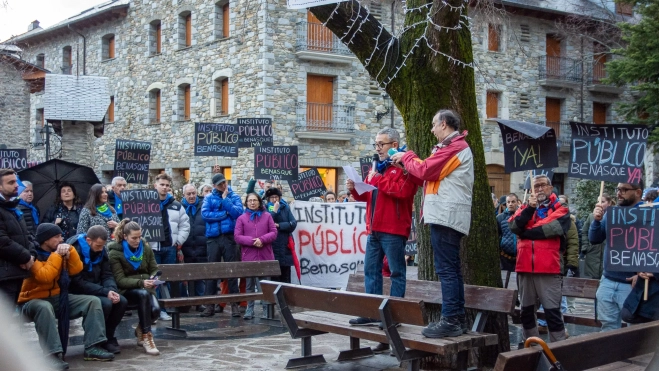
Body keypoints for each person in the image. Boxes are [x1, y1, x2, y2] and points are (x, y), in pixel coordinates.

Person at [391, 109, 474, 338]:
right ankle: (456, 318)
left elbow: (426, 169)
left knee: (447, 270)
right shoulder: (452, 147)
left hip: (447, 215)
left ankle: (451, 320)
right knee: (451, 270)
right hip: (446, 214)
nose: (431, 129)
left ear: (445, 124)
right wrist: (406, 166)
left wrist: (407, 156)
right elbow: (427, 177)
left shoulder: (455, 147)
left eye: (434, 124)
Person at [347, 127, 421, 352]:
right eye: (376, 144)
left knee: (397, 272)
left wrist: (378, 180)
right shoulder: (376, 167)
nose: (377, 148)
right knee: (371, 272)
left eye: (382, 144)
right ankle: (372, 312)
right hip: (374, 229)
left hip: (393, 229)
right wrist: (355, 189)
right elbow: (369, 194)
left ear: (394, 144)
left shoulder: (408, 165)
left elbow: (402, 192)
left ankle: (393, 315)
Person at [19, 223, 114, 369]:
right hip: (32, 300)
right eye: (57, 237)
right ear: (46, 240)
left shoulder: (60, 251)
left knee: (92, 302)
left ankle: (93, 347)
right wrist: (57, 255)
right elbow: (45, 276)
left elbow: (77, 269)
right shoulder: (32, 254)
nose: (61, 239)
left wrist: (70, 251)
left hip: (58, 298)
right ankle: (51, 354)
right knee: (44, 307)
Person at [508, 174, 571, 343]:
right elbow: (514, 226)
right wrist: (529, 209)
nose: (539, 189)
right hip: (525, 267)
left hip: (549, 269)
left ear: (550, 188)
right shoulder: (526, 206)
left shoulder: (561, 207)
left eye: (543, 185)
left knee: (552, 313)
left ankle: (558, 351)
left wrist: (526, 232)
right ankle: (531, 348)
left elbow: (553, 228)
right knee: (526, 313)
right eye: (536, 186)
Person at [589, 181, 644, 331]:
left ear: (638, 192)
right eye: (618, 189)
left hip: (633, 285)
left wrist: (642, 273)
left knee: (635, 330)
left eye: (624, 189)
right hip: (608, 280)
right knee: (608, 328)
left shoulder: (649, 213)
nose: (619, 193)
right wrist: (596, 221)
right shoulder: (612, 213)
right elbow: (595, 238)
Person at [69, 225, 127, 354]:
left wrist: (112, 290)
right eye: (98, 246)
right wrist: (105, 292)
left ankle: (109, 336)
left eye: (103, 246)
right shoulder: (75, 251)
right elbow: (77, 282)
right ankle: (97, 340)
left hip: (98, 287)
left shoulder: (101, 251)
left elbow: (107, 274)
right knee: (105, 303)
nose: (101, 249)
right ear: (89, 240)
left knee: (121, 301)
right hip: (79, 290)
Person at [108, 219, 161, 355]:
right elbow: (120, 280)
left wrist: (154, 277)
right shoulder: (115, 252)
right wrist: (142, 282)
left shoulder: (145, 247)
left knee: (155, 311)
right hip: (127, 291)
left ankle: (140, 329)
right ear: (125, 236)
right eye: (134, 238)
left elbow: (153, 268)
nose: (138, 240)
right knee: (143, 295)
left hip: (146, 287)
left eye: (139, 237)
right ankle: (146, 336)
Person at [200, 173, 243, 317]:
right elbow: (205, 215)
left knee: (231, 271)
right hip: (213, 238)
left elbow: (238, 213)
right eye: (220, 184)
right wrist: (224, 214)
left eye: (224, 183)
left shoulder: (233, 196)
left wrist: (225, 201)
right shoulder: (208, 197)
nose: (223, 186)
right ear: (214, 185)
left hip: (229, 237)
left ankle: (235, 305)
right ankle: (209, 306)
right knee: (212, 272)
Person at [151, 173, 190, 320]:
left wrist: (178, 241)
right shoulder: (147, 204)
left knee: (169, 278)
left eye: (167, 185)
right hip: (153, 248)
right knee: (155, 279)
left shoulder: (176, 205)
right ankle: (157, 308)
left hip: (170, 247)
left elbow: (185, 225)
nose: (165, 187)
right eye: (162, 184)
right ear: (156, 185)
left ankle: (168, 308)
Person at [234, 193, 277, 320]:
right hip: (249, 256)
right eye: (250, 201)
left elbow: (274, 232)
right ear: (246, 203)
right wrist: (253, 241)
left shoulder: (267, 216)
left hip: (265, 255)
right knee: (249, 285)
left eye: (255, 200)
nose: (252, 203)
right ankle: (249, 309)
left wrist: (262, 240)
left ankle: (266, 309)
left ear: (259, 202)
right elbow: (237, 236)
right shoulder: (241, 218)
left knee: (265, 285)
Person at [0, 169, 37, 304]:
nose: (16, 185)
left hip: (16, 272)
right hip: (4, 274)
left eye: (16, 181)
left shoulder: (14, 208)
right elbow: (3, 241)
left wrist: (32, 255)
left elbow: (27, 236)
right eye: (11, 182)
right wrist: (26, 257)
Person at [181, 184, 207, 307]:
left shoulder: (204, 206)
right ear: (184, 195)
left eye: (193, 193)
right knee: (186, 276)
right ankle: (187, 301)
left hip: (201, 245)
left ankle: (200, 301)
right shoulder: (179, 207)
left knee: (200, 275)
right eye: (188, 194)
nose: (191, 196)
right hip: (185, 247)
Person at [265, 187, 297, 284]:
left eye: (276, 197)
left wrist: (279, 225)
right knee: (275, 278)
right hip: (272, 247)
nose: (274, 199)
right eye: (272, 197)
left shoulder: (285, 208)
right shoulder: (265, 209)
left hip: (285, 246)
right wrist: (274, 211)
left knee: (286, 278)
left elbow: (293, 223)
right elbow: (267, 223)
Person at [581, 194, 614, 279]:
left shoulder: (614, 216)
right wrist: (586, 246)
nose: (599, 204)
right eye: (598, 201)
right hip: (593, 253)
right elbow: (584, 231)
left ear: (609, 203)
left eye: (603, 202)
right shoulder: (592, 216)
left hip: (607, 253)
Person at [496, 193, 519, 274]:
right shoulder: (500, 218)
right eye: (508, 202)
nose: (510, 204)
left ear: (517, 202)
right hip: (504, 255)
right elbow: (497, 235)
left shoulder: (522, 215)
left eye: (513, 202)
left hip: (520, 255)